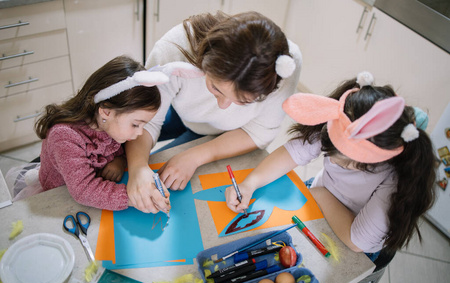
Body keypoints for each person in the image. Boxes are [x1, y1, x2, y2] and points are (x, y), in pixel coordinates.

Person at [225, 72, 436, 259]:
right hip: (323, 196)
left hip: (353, 236)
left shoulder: (395, 178)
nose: (333, 162)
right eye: (332, 152)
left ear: (375, 161)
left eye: (346, 163)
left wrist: (318, 194)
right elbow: (293, 152)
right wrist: (250, 184)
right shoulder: (342, 121)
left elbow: (357, 242)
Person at [125, 11, 302, 214]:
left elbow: (260, 132)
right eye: (216, 88)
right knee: (122, 151)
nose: (224, 106)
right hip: (180, 109)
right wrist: (138, 168)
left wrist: (194, 156)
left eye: (242, 101)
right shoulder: (172, 50)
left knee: (164, 176)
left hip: (229, 135)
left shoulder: (285, 66)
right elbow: (148, 119)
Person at [31, 55, 171, 211]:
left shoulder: (111, 125)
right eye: (136, 124)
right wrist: (135, 198)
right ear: (106, 112)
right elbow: (84, 190)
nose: (140, 133)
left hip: (95, 192)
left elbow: (121, 150)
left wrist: (120, 160)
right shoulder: (63, 136)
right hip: (59, 199)